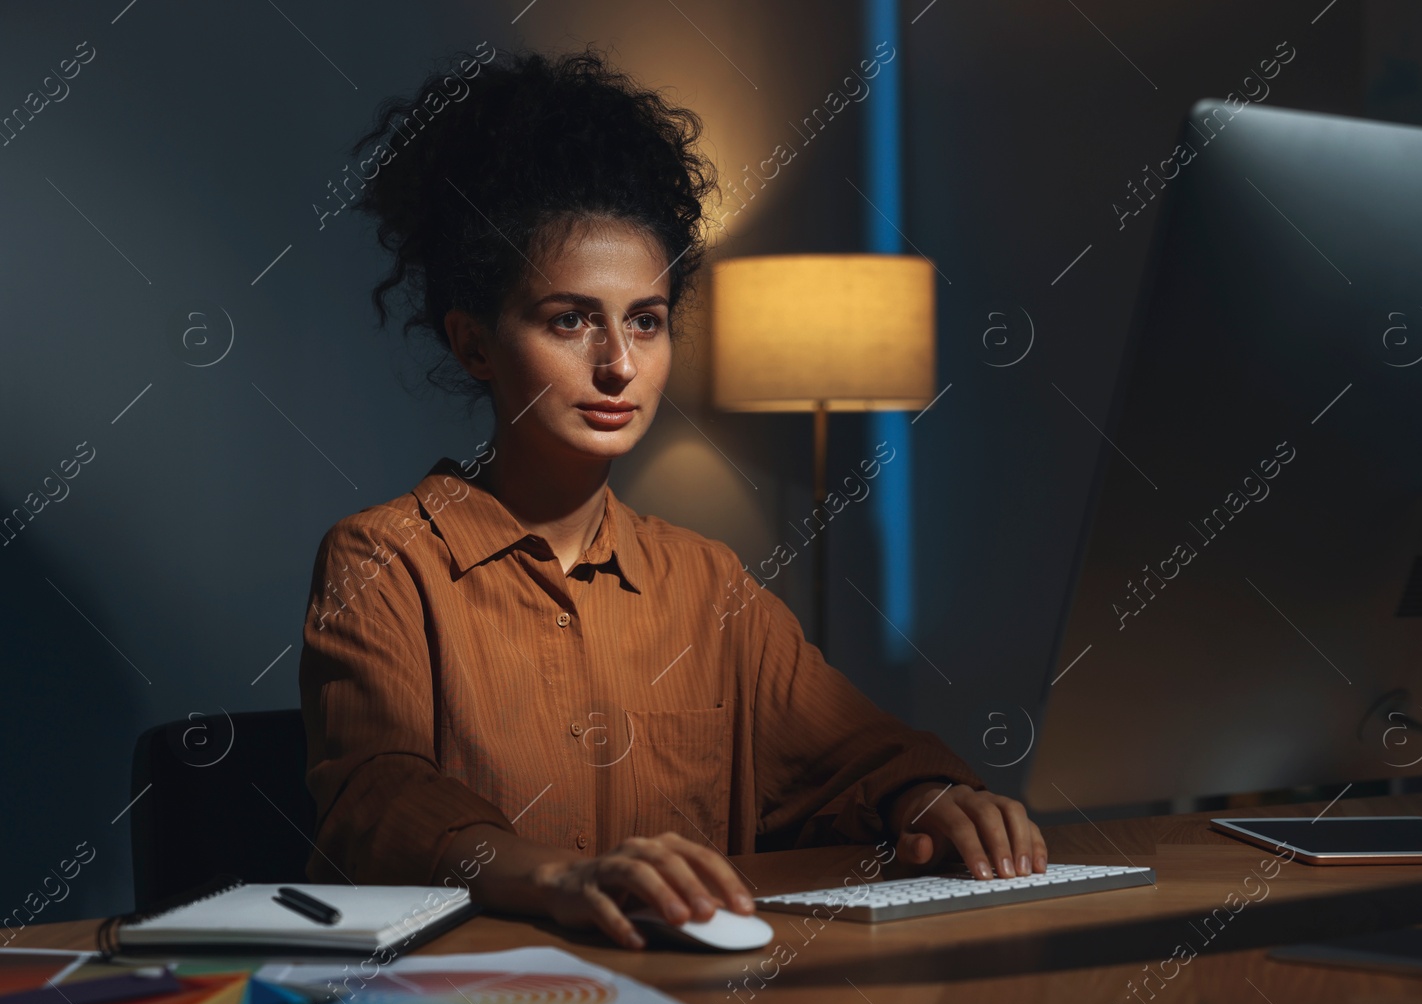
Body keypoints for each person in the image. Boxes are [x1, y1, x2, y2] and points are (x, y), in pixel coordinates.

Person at [298, 44, 1047, 951]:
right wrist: (557, 874)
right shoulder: (382, 563)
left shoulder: (709, 584)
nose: (618, 363)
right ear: (474, 344)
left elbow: (857, 752)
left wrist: (935, 798)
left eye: (645, 322)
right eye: (570, 319)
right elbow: (376, 801)